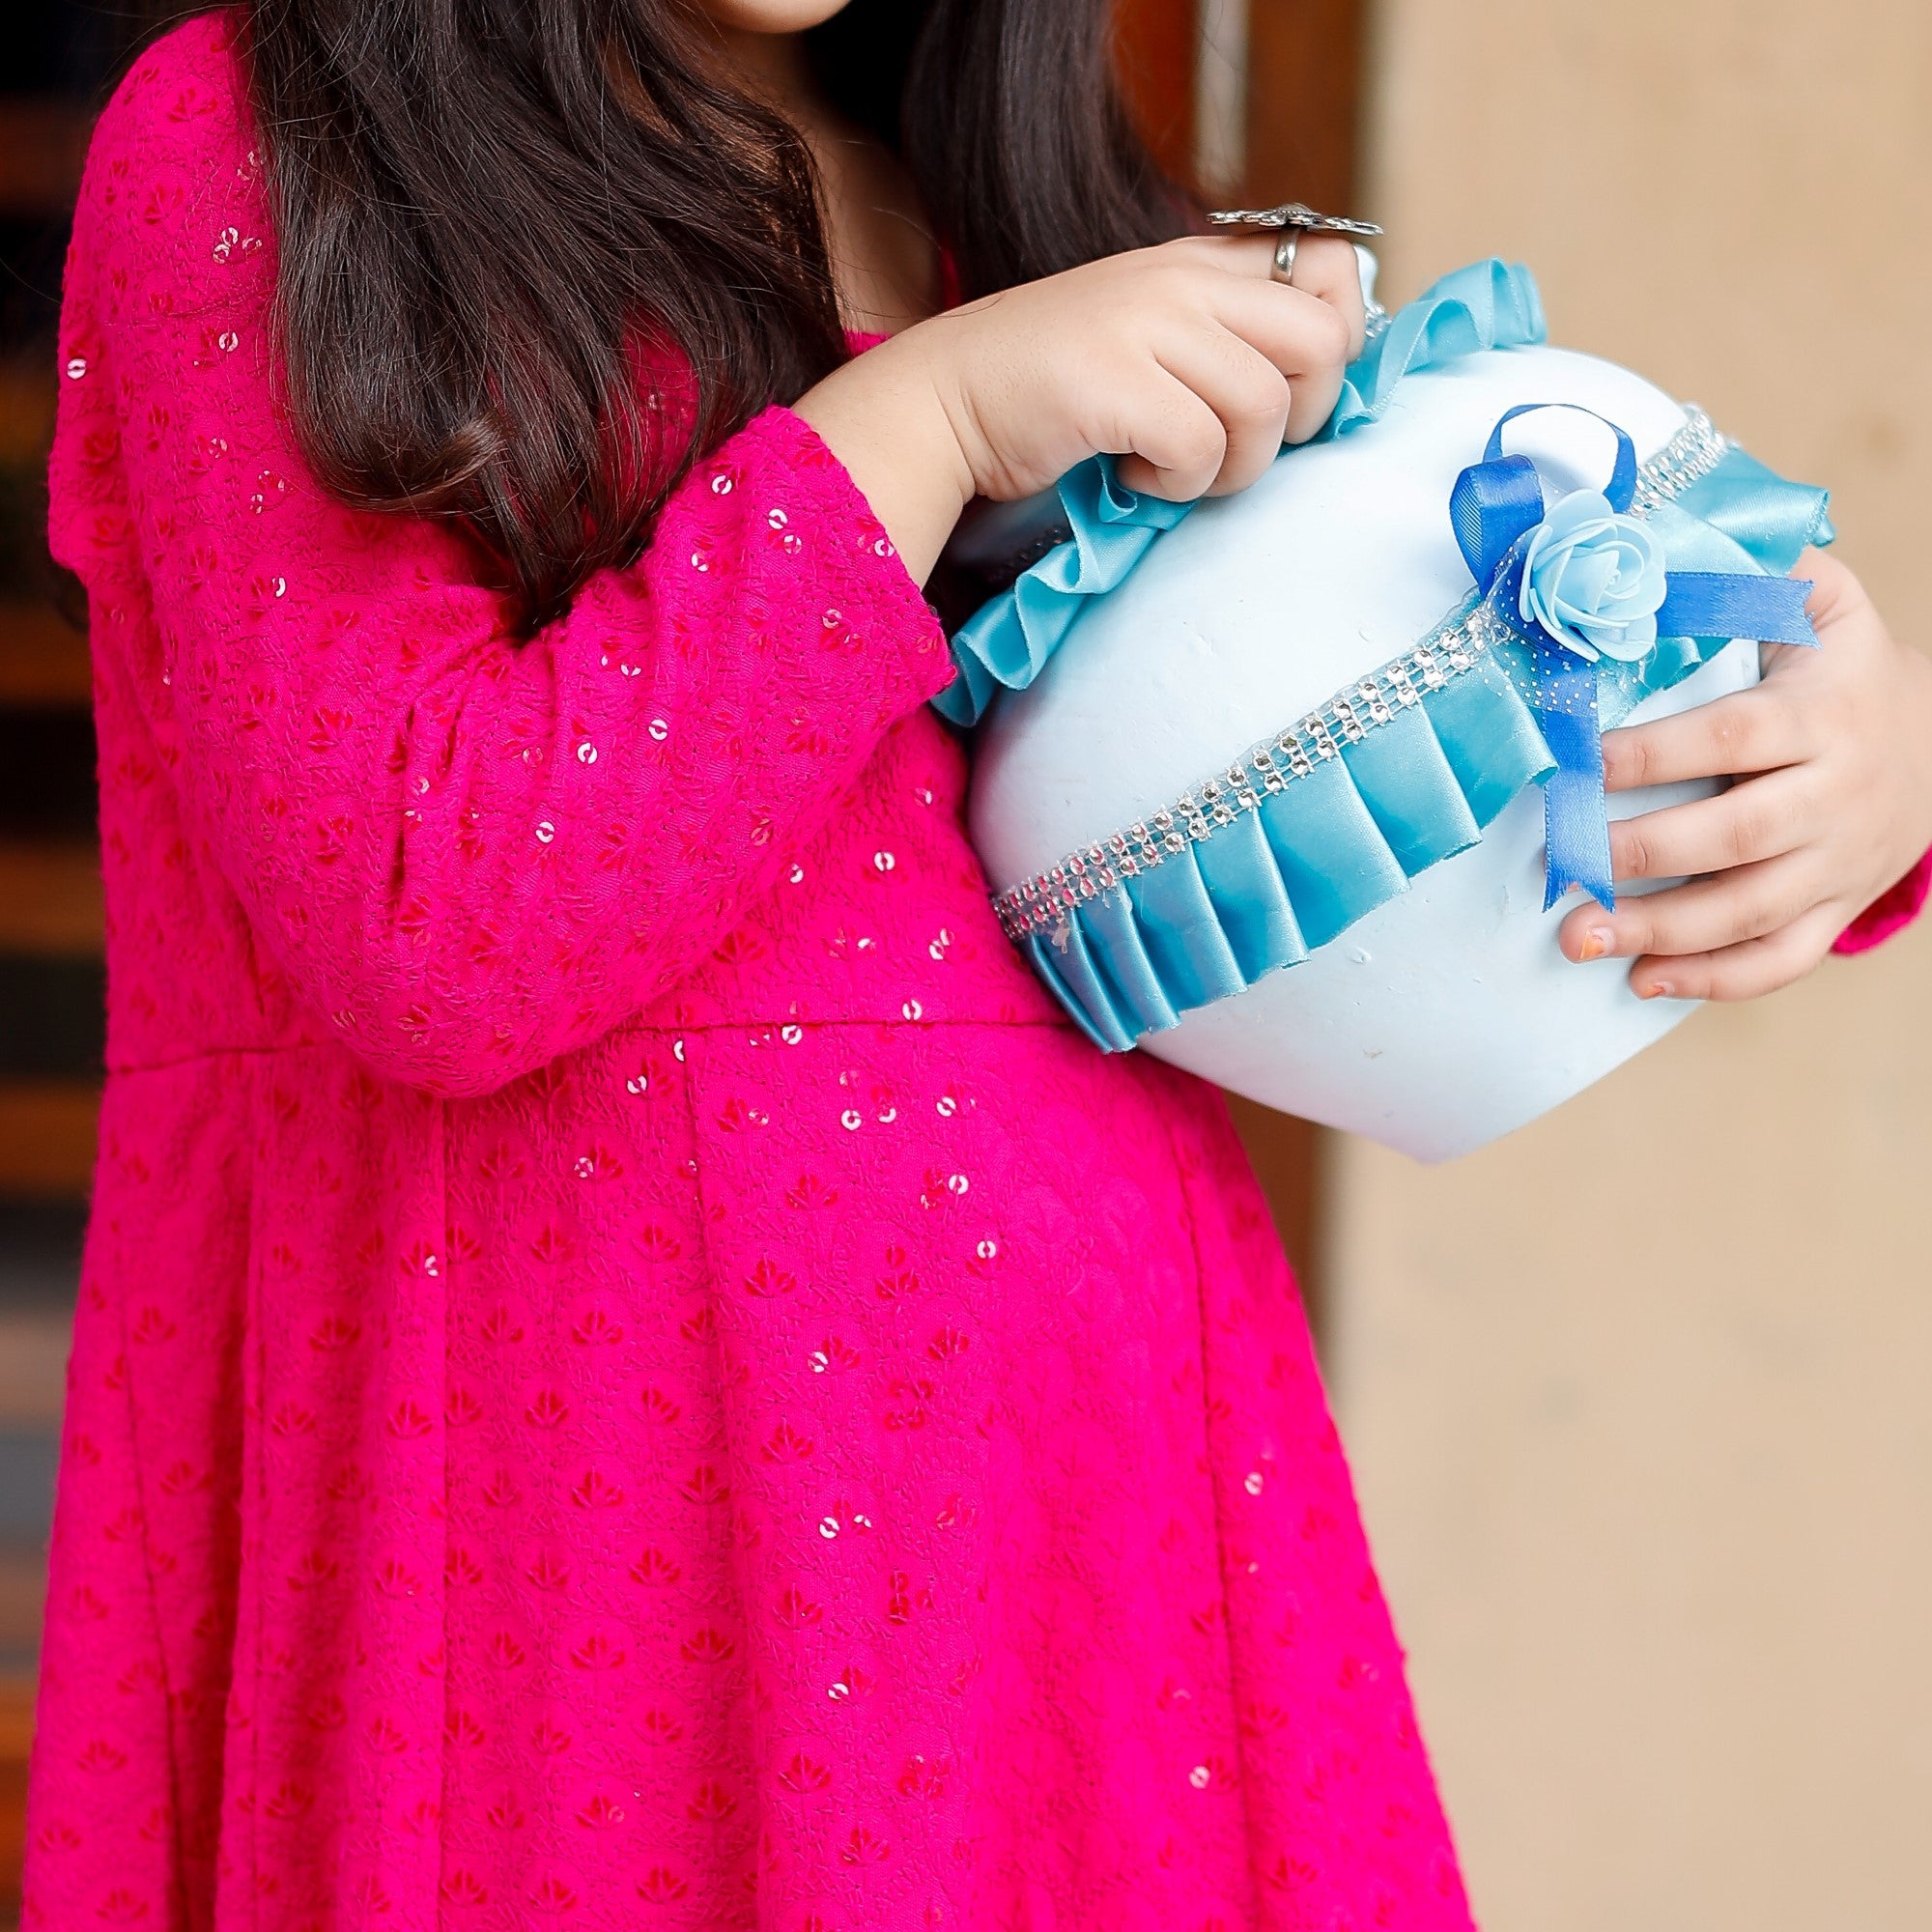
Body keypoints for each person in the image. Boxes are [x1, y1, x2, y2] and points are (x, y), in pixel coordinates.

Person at [26, 1, 1931, 1926]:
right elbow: (428, 921)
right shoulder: (273, 146)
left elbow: (1363, 760)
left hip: (1089, 1578)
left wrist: (1820, 732)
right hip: (570, 1587)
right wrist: (924, 422)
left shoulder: (1031, 201)